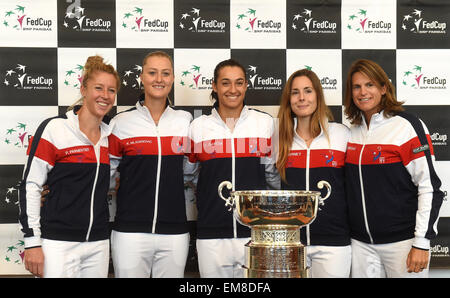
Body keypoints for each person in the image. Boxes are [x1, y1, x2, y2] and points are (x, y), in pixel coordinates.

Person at [19, 56, 120, 278]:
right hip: (57, 243)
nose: (105, 95)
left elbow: (110, 184)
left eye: (111, 90)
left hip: (98, 243)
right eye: (98, 88)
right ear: (83, 89)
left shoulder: (110, 138)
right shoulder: (54, 129)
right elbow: (31, 185)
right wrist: (32, 243)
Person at [344, 59, 444, 278]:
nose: (363, 92)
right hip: (361, 245)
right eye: (356, 87)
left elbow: (429, 187)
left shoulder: (407, 126)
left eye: (369, 85)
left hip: (403, 243)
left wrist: (421, 243)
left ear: (383, 88)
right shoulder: (351, 131)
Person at [186, 58, 280, 278]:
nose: (233, 89)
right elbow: (190, 175)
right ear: (214, 86)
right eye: (226, 83)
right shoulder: (197, 127)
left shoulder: (265, 123)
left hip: (256, 234)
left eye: (239, 83)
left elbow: (273, 177)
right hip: (211, 234)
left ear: (246, 85)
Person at [108, 51, 193, 278]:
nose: (159, 79)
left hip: (174, 232)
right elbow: (106, 175)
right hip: (129, 232)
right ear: (142, 77)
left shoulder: (185, 122)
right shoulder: (120, 123)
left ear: (173, 79)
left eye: (165, 73)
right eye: (152, 73)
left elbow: (189, 171)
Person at [276, 69, 351, 277]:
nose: (302, 98)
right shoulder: (280, 140)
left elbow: (351, 187)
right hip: (290, 243)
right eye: (295, 92)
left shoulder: (341, 135)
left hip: (333, 243)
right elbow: (272, 185)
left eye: (308, 91)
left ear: (318, 95)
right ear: (288, 99)